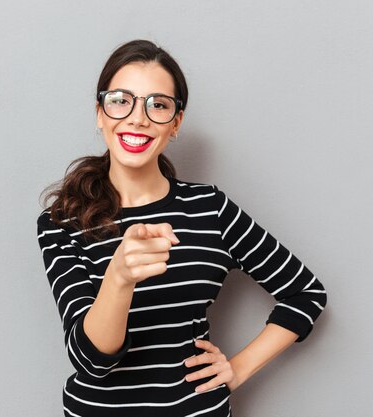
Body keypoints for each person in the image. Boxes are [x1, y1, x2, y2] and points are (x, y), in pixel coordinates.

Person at [36, 39, 327, 417]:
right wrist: (120, 276)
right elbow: (92, 362)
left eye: (157, 105)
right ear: (99, 113)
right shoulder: (62, 222)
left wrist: (236, 370)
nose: (137, 118)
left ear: (176, 123)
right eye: (121, 100)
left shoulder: (211, 209)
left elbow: (305, 293)